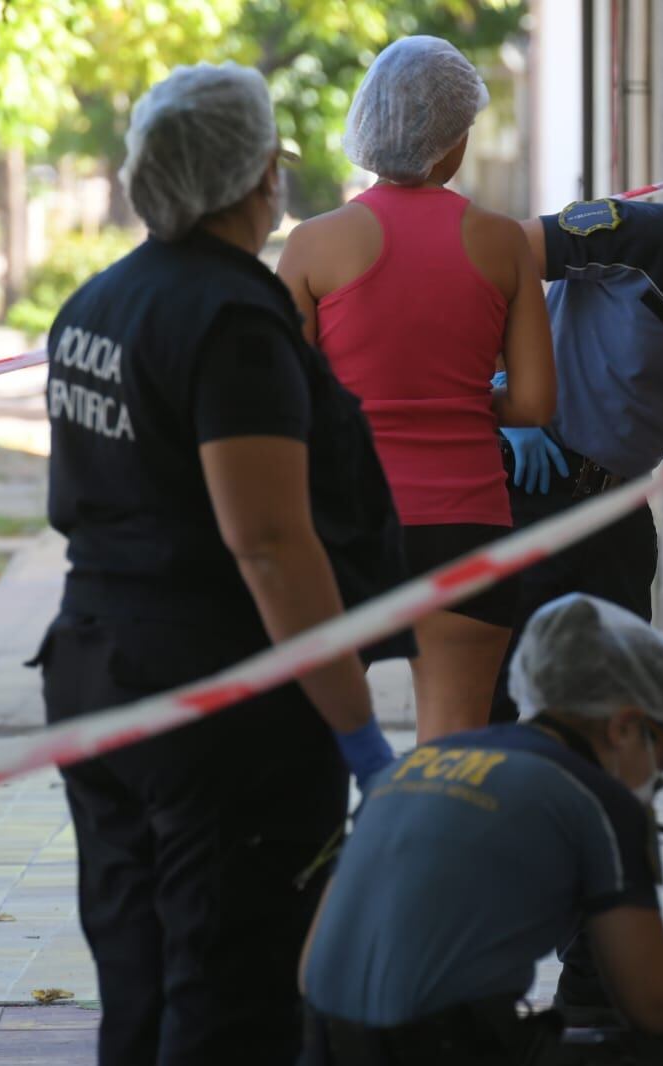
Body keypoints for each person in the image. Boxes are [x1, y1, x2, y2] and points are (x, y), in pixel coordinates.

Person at [34, 63, 414, 1066]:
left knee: (141, 974)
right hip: (215, 703)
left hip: (99, 676)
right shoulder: (233, 322)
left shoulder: (96, 305)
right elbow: (269, 544)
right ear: (258, 178)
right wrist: (357, 730)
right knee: (230, 994)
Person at [298, 593, 663, 1066]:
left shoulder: (421, 762)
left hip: (316, 1041)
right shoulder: (594, 801)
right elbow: (659, 1005)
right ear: (625, 726)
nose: (656, 783)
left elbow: (313, 958)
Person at [278, 36, 556, 743]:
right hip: (466, 523)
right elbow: (532, 405)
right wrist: (461, 402)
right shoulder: (503, 243)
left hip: (345, 525)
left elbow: (286, 401)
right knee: (456, 748)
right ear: (453, 141)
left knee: (318, 744)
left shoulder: (312, 245)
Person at [491, 184, 663, 727]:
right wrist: (502, 381)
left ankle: (593, 808)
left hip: (615, 507)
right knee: (498, 684)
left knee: (614, 696)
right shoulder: (649, 236)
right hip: (529, 483)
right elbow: (504, 257)